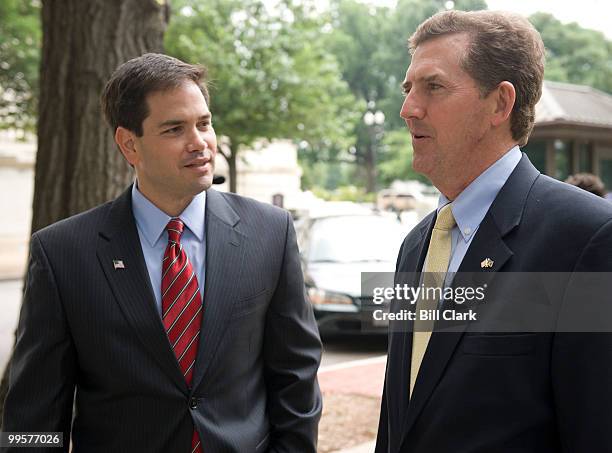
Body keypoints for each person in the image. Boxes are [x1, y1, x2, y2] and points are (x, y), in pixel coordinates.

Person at [2, 53, 322, 453]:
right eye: (174, 129)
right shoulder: (62, 253)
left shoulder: (270, 232)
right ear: (129, 145)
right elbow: (33, 416)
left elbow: (296, 374)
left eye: (204, 124)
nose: (200, 143)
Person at [375, 10, 612, 452]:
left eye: (434, 86)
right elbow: (401, 416)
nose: (408, 109)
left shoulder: (586, 239)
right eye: (408, 89)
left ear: (500, 104)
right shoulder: (416, 246)